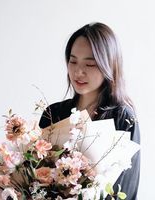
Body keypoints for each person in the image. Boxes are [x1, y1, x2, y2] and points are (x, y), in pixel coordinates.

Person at [39, 22, 140, 200]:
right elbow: (37, 175)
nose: (78, 71)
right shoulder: (53, 113)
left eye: (90, 64)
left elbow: (126, 190)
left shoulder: (122, 118)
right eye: (73, 61)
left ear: (109, 65)